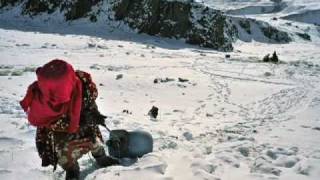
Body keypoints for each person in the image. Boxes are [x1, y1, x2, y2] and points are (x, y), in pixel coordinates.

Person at [20, 59, 119, 180]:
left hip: (84, 126)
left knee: (93, 141)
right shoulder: (41, 101)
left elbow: (90, 102)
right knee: (63, 154)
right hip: (60, 134)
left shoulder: (83, 85)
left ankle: (101, 158)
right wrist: (77, 122)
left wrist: (93, 113)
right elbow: (48, 125)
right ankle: (72, 169)